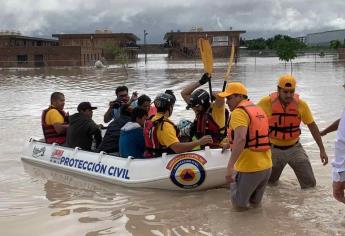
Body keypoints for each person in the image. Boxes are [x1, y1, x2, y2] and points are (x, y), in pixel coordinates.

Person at [257, 74, 328, 189]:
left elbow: (312, 126)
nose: (289, 95)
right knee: (269, 185)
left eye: (291, 91)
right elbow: (252, 122)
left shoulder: (301, 105)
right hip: (273, 150)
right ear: (278, 90)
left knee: (310, 185)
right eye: (285, 92)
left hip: (295, 149)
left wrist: (322, 149)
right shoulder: (266, 102)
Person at [218, 82, 272, 210]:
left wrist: (230, 167)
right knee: (255, 206)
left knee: (239, 207)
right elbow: (252, 135)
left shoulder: (238, 112)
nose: (227, 102)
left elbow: (241, 138)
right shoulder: (258, 110)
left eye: (229, 98)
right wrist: (229, 142)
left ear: (239, 96)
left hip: (249, 168)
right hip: (266, 167)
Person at [143, 92, 213, 158]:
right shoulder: (165, 125)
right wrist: (199, 142)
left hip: (153, 154)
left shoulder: (153, 118)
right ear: (170, 107)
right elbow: (177, 148)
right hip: (164, 157)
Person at [181, 73, 227, 148]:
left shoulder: (217, 109)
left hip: (216, 148)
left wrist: (212, 94)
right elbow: (184, 93)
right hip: (202, 148)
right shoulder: (198, 110)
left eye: (197, 107)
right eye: (194, 107)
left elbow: (221, 96)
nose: (195, 109)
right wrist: (200, 82)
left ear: (204, 103)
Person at [320, 83, 345, 203]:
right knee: (337, 193)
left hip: (342, 162)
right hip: (341, 160)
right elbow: (342, 121)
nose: (343, 86)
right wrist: (325, 131)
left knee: (337, 193)